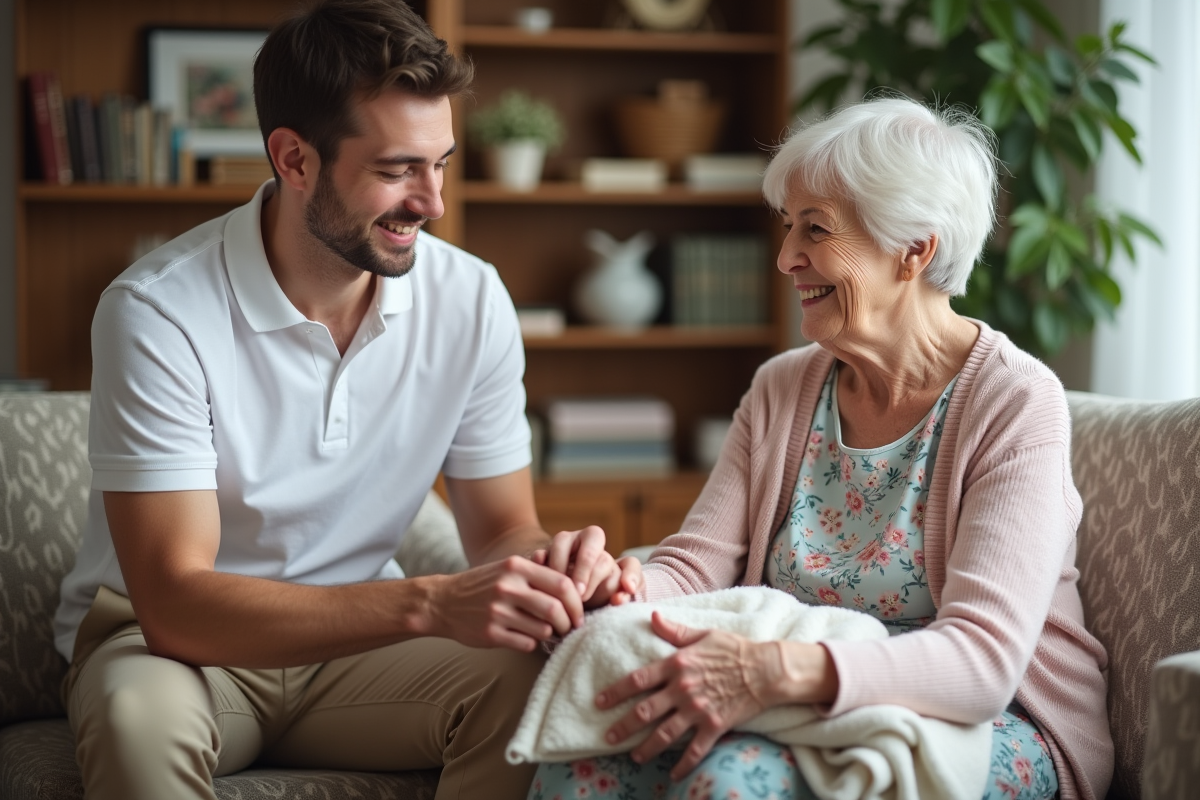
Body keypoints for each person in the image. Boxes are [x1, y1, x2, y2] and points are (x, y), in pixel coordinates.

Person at [52, 2, 640, 799]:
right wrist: (430, 603)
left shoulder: (471, 299)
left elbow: (502, 527)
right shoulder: (158, 311)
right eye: (398, 169)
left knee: (546, 680)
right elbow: (176, 606)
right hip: (180, 654)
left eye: (442, 164)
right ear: (294, 160)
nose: (431, 202)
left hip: (362, 653)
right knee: (136, 725)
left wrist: (552, 573)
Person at [531, 97, 1112, 800]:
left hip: (988, 720)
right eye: (787, 227)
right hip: (787, 694)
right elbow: (693, 568)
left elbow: (982, 663)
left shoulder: (1014, 401)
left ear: (914, 249)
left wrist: (780, 672)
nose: (785, 258)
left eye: (815, 229)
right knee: (586, 755)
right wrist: (619, 585)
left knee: (728, 779)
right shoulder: (782, 387)